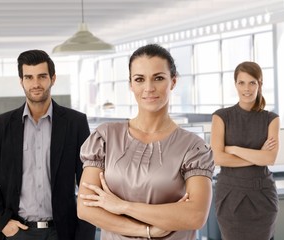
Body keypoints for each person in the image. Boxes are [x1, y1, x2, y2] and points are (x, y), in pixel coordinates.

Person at [77, 43, 214, 240]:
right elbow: (86, 208)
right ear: (131, 84)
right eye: (139, 79)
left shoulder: (193, 147)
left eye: (158, 78)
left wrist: (122, 206)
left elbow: (195, 216)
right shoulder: (105, 137)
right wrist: (147, 231)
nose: (149, 88)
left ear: (173, 82)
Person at [0, 50, 96, 240]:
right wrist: (2, 223)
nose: (35, 84)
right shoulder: (2, 124)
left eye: (42, 76)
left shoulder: (76, 123)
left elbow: (89, 184)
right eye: (29, 77)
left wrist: (84, 235)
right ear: (21, 81)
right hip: (15, 232)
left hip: (61, 233)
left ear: (53, 78)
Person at [210, 61, 280, 240]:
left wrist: (233, 149)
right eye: (241, 83)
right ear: (235, 84)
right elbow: (218, 157)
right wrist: (257, 157)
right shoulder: (221, 116)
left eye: (252, 83)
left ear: (260, 84)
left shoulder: (271, 119)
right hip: (230, 196)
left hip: (262, 196)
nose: (246, 88)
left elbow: (269, 158)